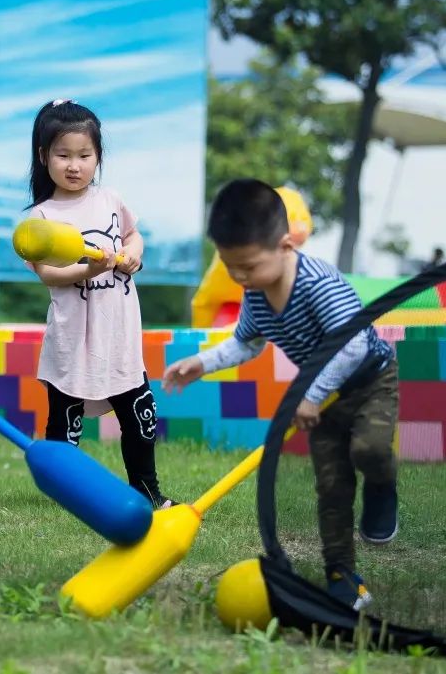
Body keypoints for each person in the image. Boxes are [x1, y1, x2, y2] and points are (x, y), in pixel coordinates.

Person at [163, 179, 398, 610]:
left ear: (285, 245)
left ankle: (383, 489)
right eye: (230, 267)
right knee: (331, 486)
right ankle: (342, 574)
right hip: (316, 396)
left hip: (368, 381)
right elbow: (246, 343)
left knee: (370, 450)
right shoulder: (255, 293)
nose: (240, 277)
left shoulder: (318, 283)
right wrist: (202, 362)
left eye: (248, 266)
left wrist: (313, 393)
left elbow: (353, 347)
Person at [24, 99, 173, 509]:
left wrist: (133, 254)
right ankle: (64, 492)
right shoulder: (41, 217)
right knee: (64, 422)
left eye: (84, 155)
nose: (74, 165)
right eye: (63, 155)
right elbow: (48, 274)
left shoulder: (110, 199)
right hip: (73, 337)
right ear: (44, 156)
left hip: (118, 335)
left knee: (140, 415)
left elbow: (133, 236)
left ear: (98, 157)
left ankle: (147, 492)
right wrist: (89, 270)